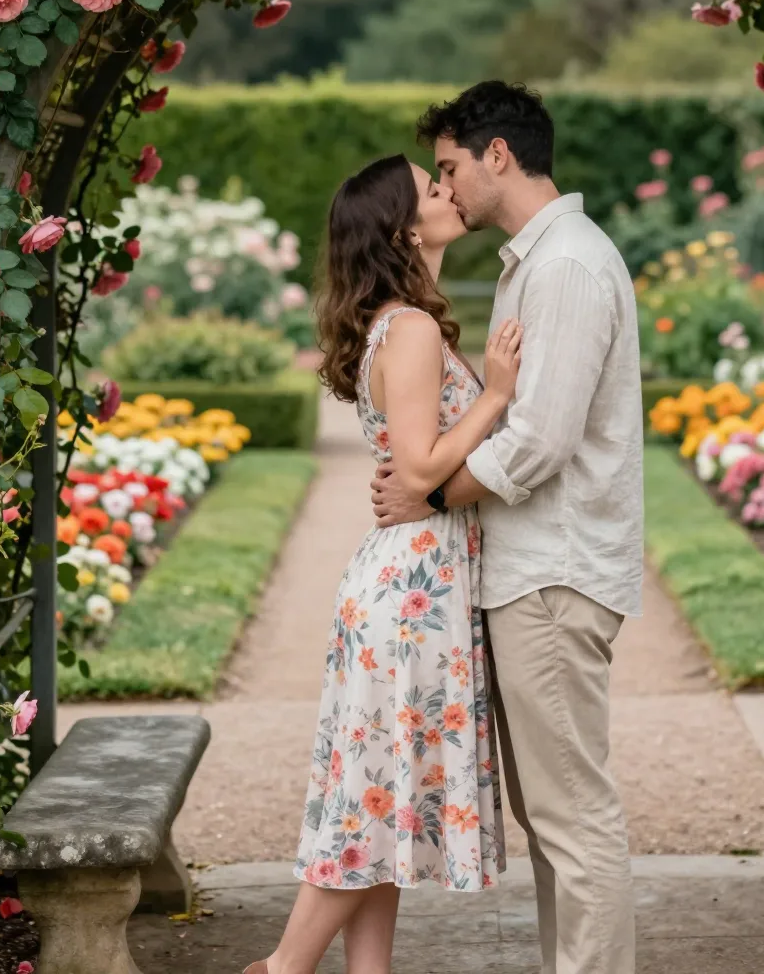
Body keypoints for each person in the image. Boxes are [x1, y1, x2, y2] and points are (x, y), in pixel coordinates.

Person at [372, 81, 645, 974]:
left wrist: (433, 497)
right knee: (556, 818)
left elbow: (541, 439)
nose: (445, 189)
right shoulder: (536, 259)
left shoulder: (564, 263)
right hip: (532, 573)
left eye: (449, 167)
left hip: (553, 577)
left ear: (498, 155)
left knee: (574, 816)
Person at [247, 153, 519, 974]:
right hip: (411, 591)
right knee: (368, 809)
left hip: (410, 580)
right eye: (430, 186)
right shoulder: (410, 328)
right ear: (403, 227)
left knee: (383, 799)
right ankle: (284, 969)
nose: (448, 189)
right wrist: (498, 397)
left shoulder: (401, 323)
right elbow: (422, 465)